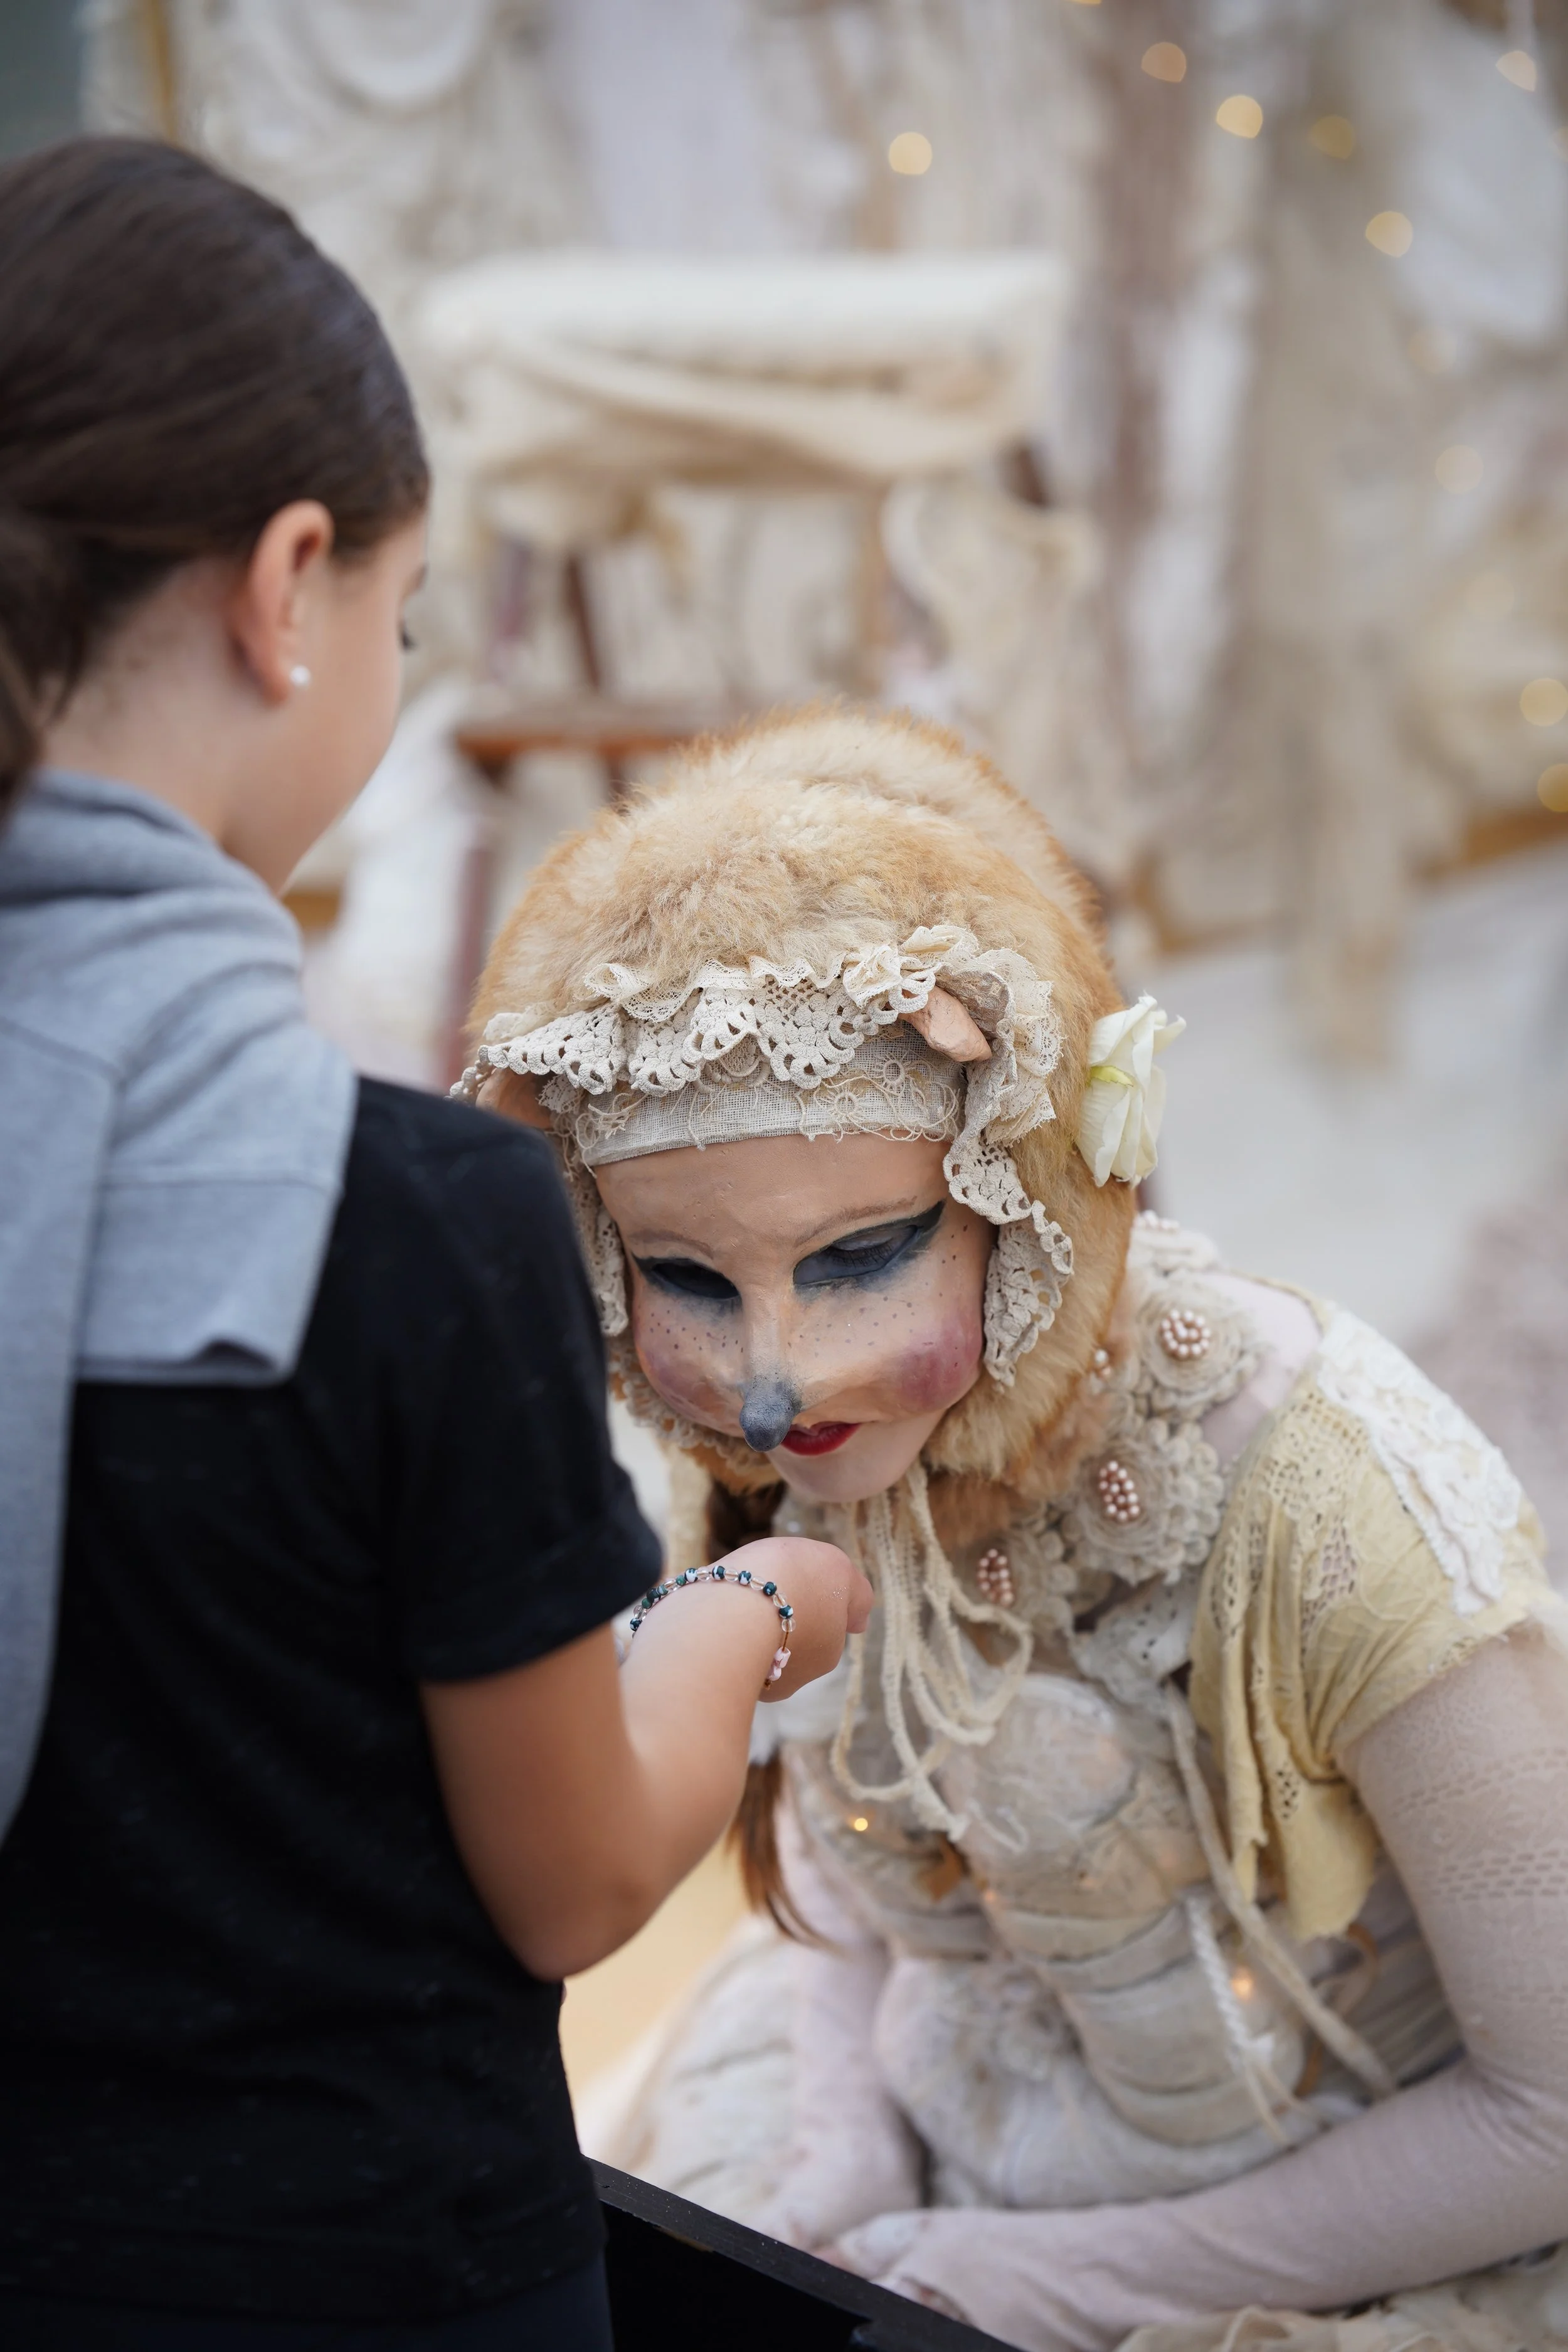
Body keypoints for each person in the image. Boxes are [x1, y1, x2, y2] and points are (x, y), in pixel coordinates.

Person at [0, 140, 864, 2351]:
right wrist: (748, 1609)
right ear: (284, 590)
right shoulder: (412, 1223)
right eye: (400, 613)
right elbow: (571, 1873)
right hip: (365, 2283)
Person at [460, 705, 1568, 2352]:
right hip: (921, 2172)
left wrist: (1059, 2285)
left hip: (1337, 2241)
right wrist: (834, 2152)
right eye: (691, 1279)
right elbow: (860, 1863)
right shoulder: (822, 1449)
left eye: (855, 1257)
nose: (767, 1389)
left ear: (1022, 1187)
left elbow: (1548, 2112)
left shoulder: (1319, 1485)